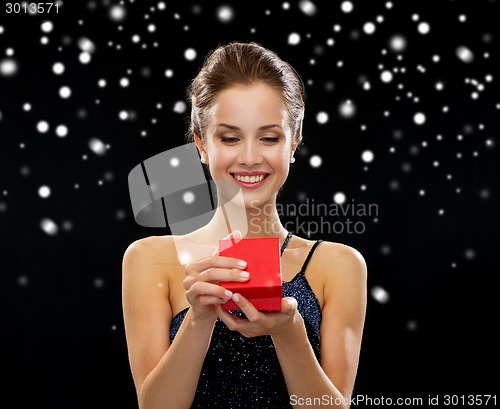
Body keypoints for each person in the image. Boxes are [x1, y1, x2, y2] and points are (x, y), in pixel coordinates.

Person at [122, 41, 367, 408]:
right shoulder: (150, 259)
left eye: (269, 138)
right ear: (201, 145)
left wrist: (290, 334)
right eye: (230, 138)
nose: (250, 158)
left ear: (294, 143)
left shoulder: (339, 265)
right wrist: (199, 319)